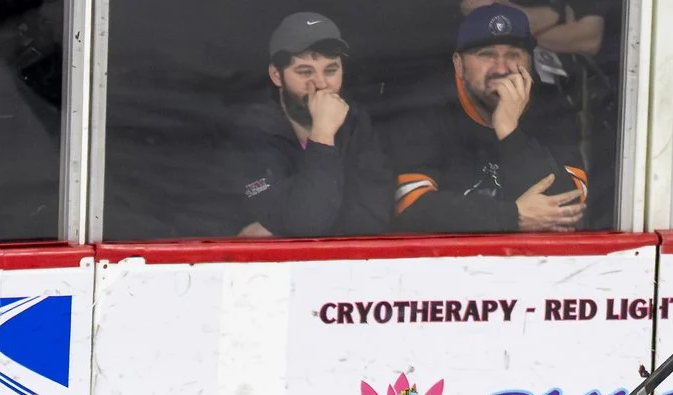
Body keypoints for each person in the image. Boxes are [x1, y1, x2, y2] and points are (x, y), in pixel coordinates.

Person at [387, 2, 588, 234]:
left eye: (514, 54)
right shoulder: (425, 106)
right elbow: (411, 207)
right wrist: (511, 217)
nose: (501, 69)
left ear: (529, 62)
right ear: (459, 65)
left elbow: (569, 208)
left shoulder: (551, 106)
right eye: (487, 55)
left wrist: (509, 131)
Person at [213, 11, 393, 239]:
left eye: (331, 70)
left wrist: (281, 227)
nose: (321, 83)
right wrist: (323, 135)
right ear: (276, 75)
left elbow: (374, 218)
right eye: (305, 72)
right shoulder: (253, 130)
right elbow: (307, 224)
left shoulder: (355, 120)